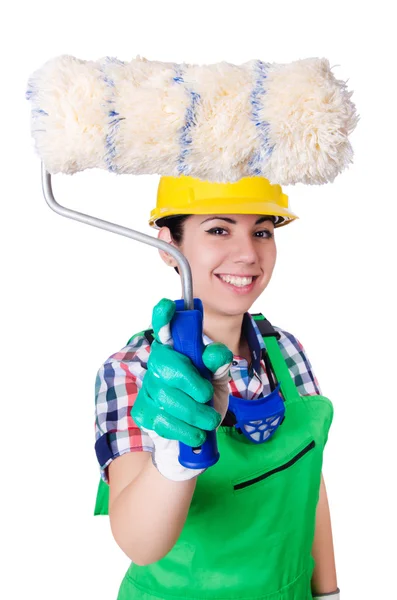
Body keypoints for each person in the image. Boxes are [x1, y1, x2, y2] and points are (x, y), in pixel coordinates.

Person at [94, 175, 340, 599]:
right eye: (219, 229)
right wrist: (174, 460)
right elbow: (140, 542)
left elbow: (310, 479)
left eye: (261, 231)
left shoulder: (286, 351)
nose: (248, 254)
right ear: (168, 245)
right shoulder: (132, 373)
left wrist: (328, 593)